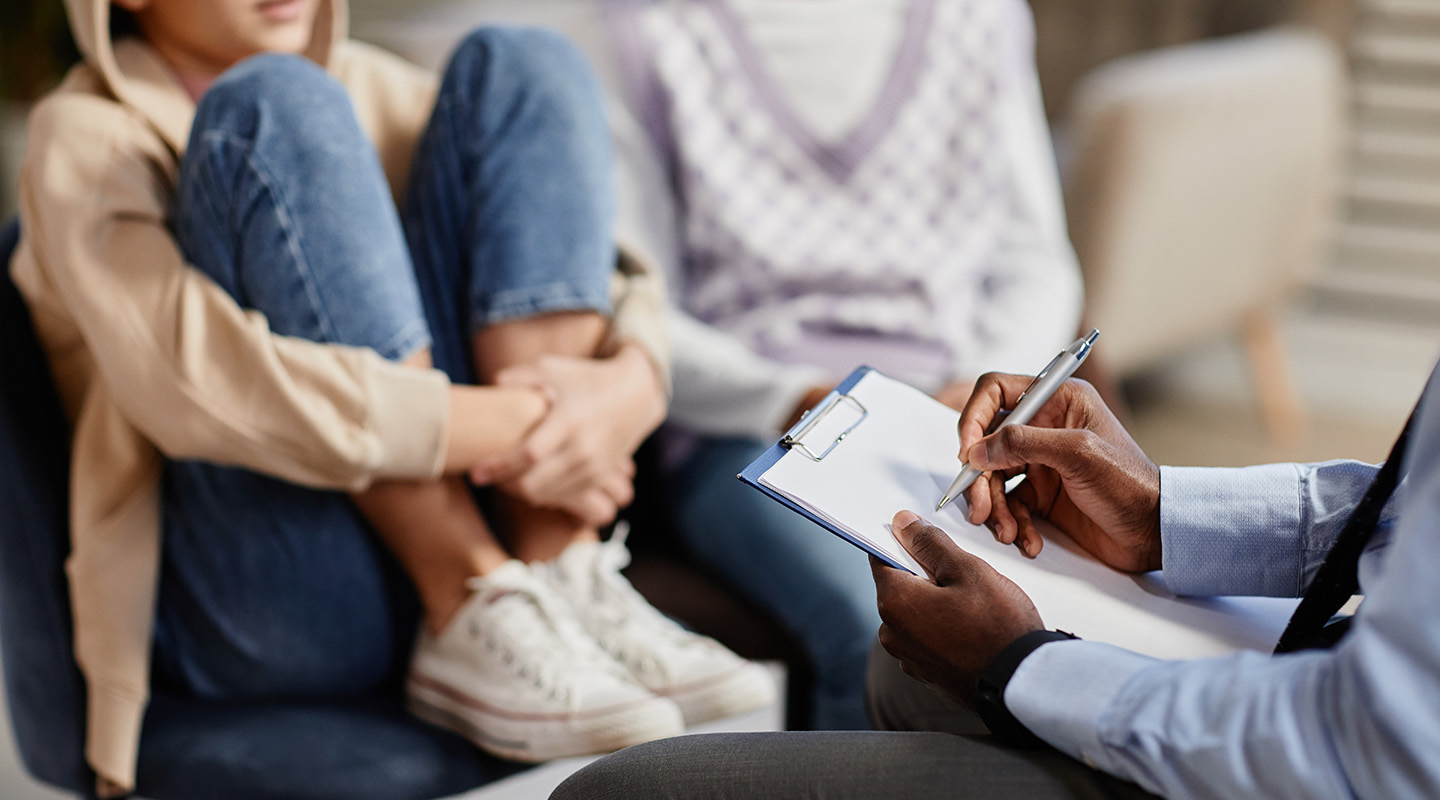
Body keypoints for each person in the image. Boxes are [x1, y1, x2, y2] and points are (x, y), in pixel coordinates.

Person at [9, 0, 771, 794]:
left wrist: (633, 381)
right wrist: (535, 424)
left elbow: (602, 261)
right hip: (266, 587)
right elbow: (194, 389)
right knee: (277, 100)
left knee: (525, 64)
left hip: (471, 527)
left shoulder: (373, 84)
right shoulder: (82, 136)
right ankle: (465, 590)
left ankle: (560, 565)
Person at [444, 0, 1084, 731]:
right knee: (884, 624)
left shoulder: (977, 17)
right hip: (754, 423)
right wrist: (798, 398)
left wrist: (974, 388)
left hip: (955, 410)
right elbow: (638, 308)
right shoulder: (637, 36)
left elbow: (1036, 258)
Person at [550, 361, 1440, 799]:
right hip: (1343, 684)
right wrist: (1164, 514)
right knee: (898, 663)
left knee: (616, 794)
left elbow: (1364, 749)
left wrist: (1021, 665)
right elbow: (1416, 506)